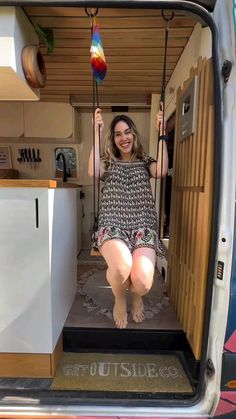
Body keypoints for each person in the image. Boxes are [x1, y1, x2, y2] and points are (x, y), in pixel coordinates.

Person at [88, 106, 168, 329]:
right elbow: (94, 171)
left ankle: (137, 296)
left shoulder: (145, 161)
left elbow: (161, 171)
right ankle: (120, 298)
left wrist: (162, 131)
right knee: (122, 268)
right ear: (113, 140)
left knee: (142, 282)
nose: (123, 138)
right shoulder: (108, 162)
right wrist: (96, 131)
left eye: (127, 132)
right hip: (113, 227)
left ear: (133, 134)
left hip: (143, 228)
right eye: (118, 134)